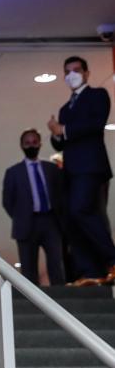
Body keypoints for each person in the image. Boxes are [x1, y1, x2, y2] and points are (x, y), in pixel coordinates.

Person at [48, 56, 115, 286]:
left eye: (76, 70)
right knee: (73, 218)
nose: (72, 75)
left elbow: (95, 124)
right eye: (67, 71)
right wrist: (56, 133)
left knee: (81, 211)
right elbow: (61, 143)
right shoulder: (65, 108)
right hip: (72, 170)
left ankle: (111, 259)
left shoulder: (98, 95)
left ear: (86, 73)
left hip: (91, 166)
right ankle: (91, 270)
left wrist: (63, 129)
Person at [3, 129, 67, 285]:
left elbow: (61, 194)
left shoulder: (52, 169)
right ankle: (30, 305)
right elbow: (7, 201)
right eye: (27, 143)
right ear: (21, 145)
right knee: (28, 268)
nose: (31, 146)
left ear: (40, 144)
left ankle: (60, 301)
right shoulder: (13, 172)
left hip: (51, 221)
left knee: (56, 263)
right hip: (26, 223)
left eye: (34, 142)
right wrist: (21, 216)